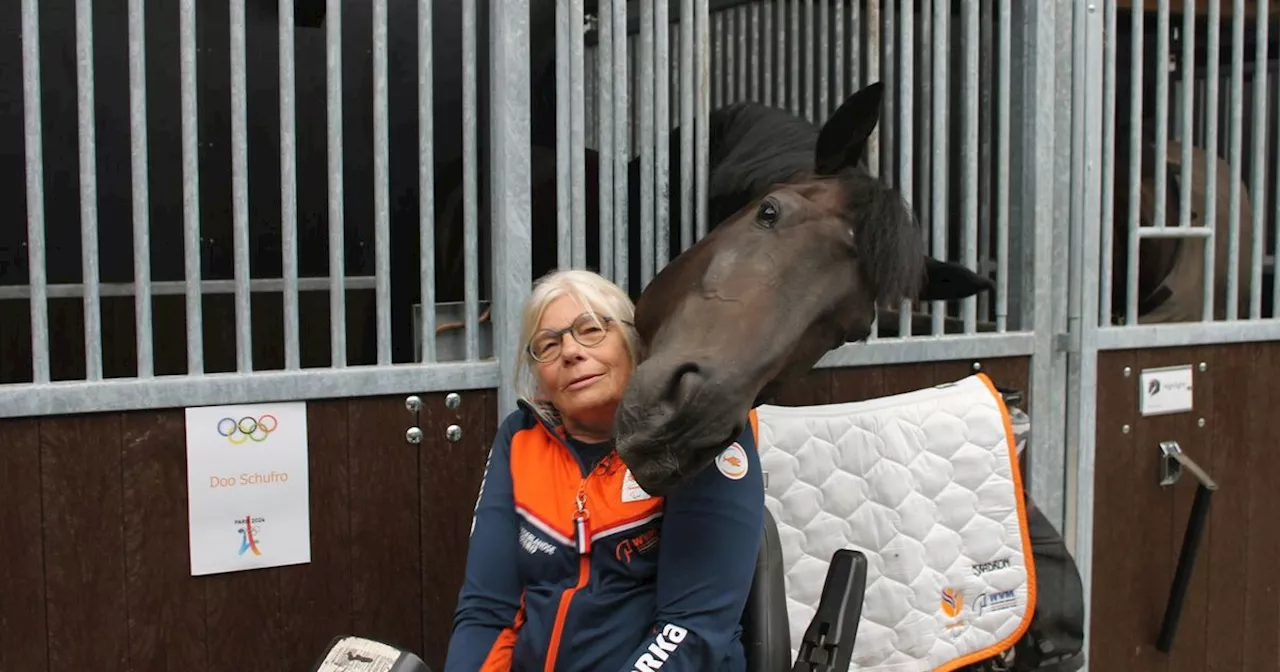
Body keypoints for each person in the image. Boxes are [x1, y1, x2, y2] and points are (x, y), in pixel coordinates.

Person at [443, 269, 765, 672]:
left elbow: (692, 628)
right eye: (547, 344)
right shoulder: (520, 439)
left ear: (634, 342)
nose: (571, 352)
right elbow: (487, 611)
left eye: (591, 329)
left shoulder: (699, 425)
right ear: (538, 378)